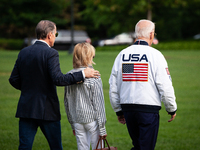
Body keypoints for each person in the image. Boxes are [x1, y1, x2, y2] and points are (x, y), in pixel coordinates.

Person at [9, 20, 100, 150]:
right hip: (48, 111)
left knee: (24, 147)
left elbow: (13, 79)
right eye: (56, 35)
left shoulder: (24, 52)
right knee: (56, 147)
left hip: (26, 108)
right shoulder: (51, 53)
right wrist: (83, 74)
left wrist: (29, 89)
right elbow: (59, 79)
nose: (55, 38)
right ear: (50, 35)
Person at [109, 19, 177, 150]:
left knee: (138, 145)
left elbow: (114, 86)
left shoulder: (122, 54)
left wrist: (118, 110)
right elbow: (165, 85)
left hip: (128, 108)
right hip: (148, 109)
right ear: (151, 34)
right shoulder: (156, 55)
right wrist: (171, 108)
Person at [64, 42, 107, 150]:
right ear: (89, 56)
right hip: (92, 121)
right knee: (98, 147)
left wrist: (72, 123)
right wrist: (102, 128)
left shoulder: (69, 76)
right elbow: (99, 104)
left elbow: (67, 103)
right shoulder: (95, 76)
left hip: (77, 120)